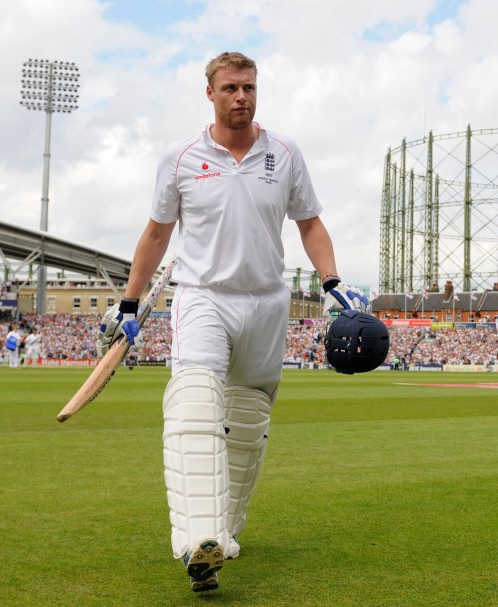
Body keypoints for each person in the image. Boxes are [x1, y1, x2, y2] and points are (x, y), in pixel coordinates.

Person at [96, 51, 369, 593]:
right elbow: (156, 235)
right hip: (203, 296)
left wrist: (333, 280)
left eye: (248, 87)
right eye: (230, 88)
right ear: (210, 93)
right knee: (195, 407)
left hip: (269, 302)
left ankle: (224, 535)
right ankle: (197, 539)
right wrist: (129, 305)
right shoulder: (181, 158)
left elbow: (310, 223)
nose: (240, 97)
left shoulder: (285, 153)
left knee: (246, 427)